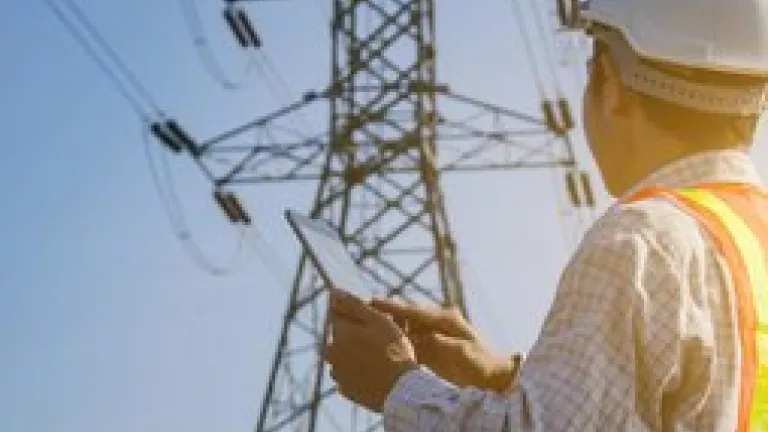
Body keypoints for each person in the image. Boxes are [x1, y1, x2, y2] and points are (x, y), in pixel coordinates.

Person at [323, 0, 768, 429]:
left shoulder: (640, 241)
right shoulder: (752, 236)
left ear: (608, 82)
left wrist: (396, 385)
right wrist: (507, 380)